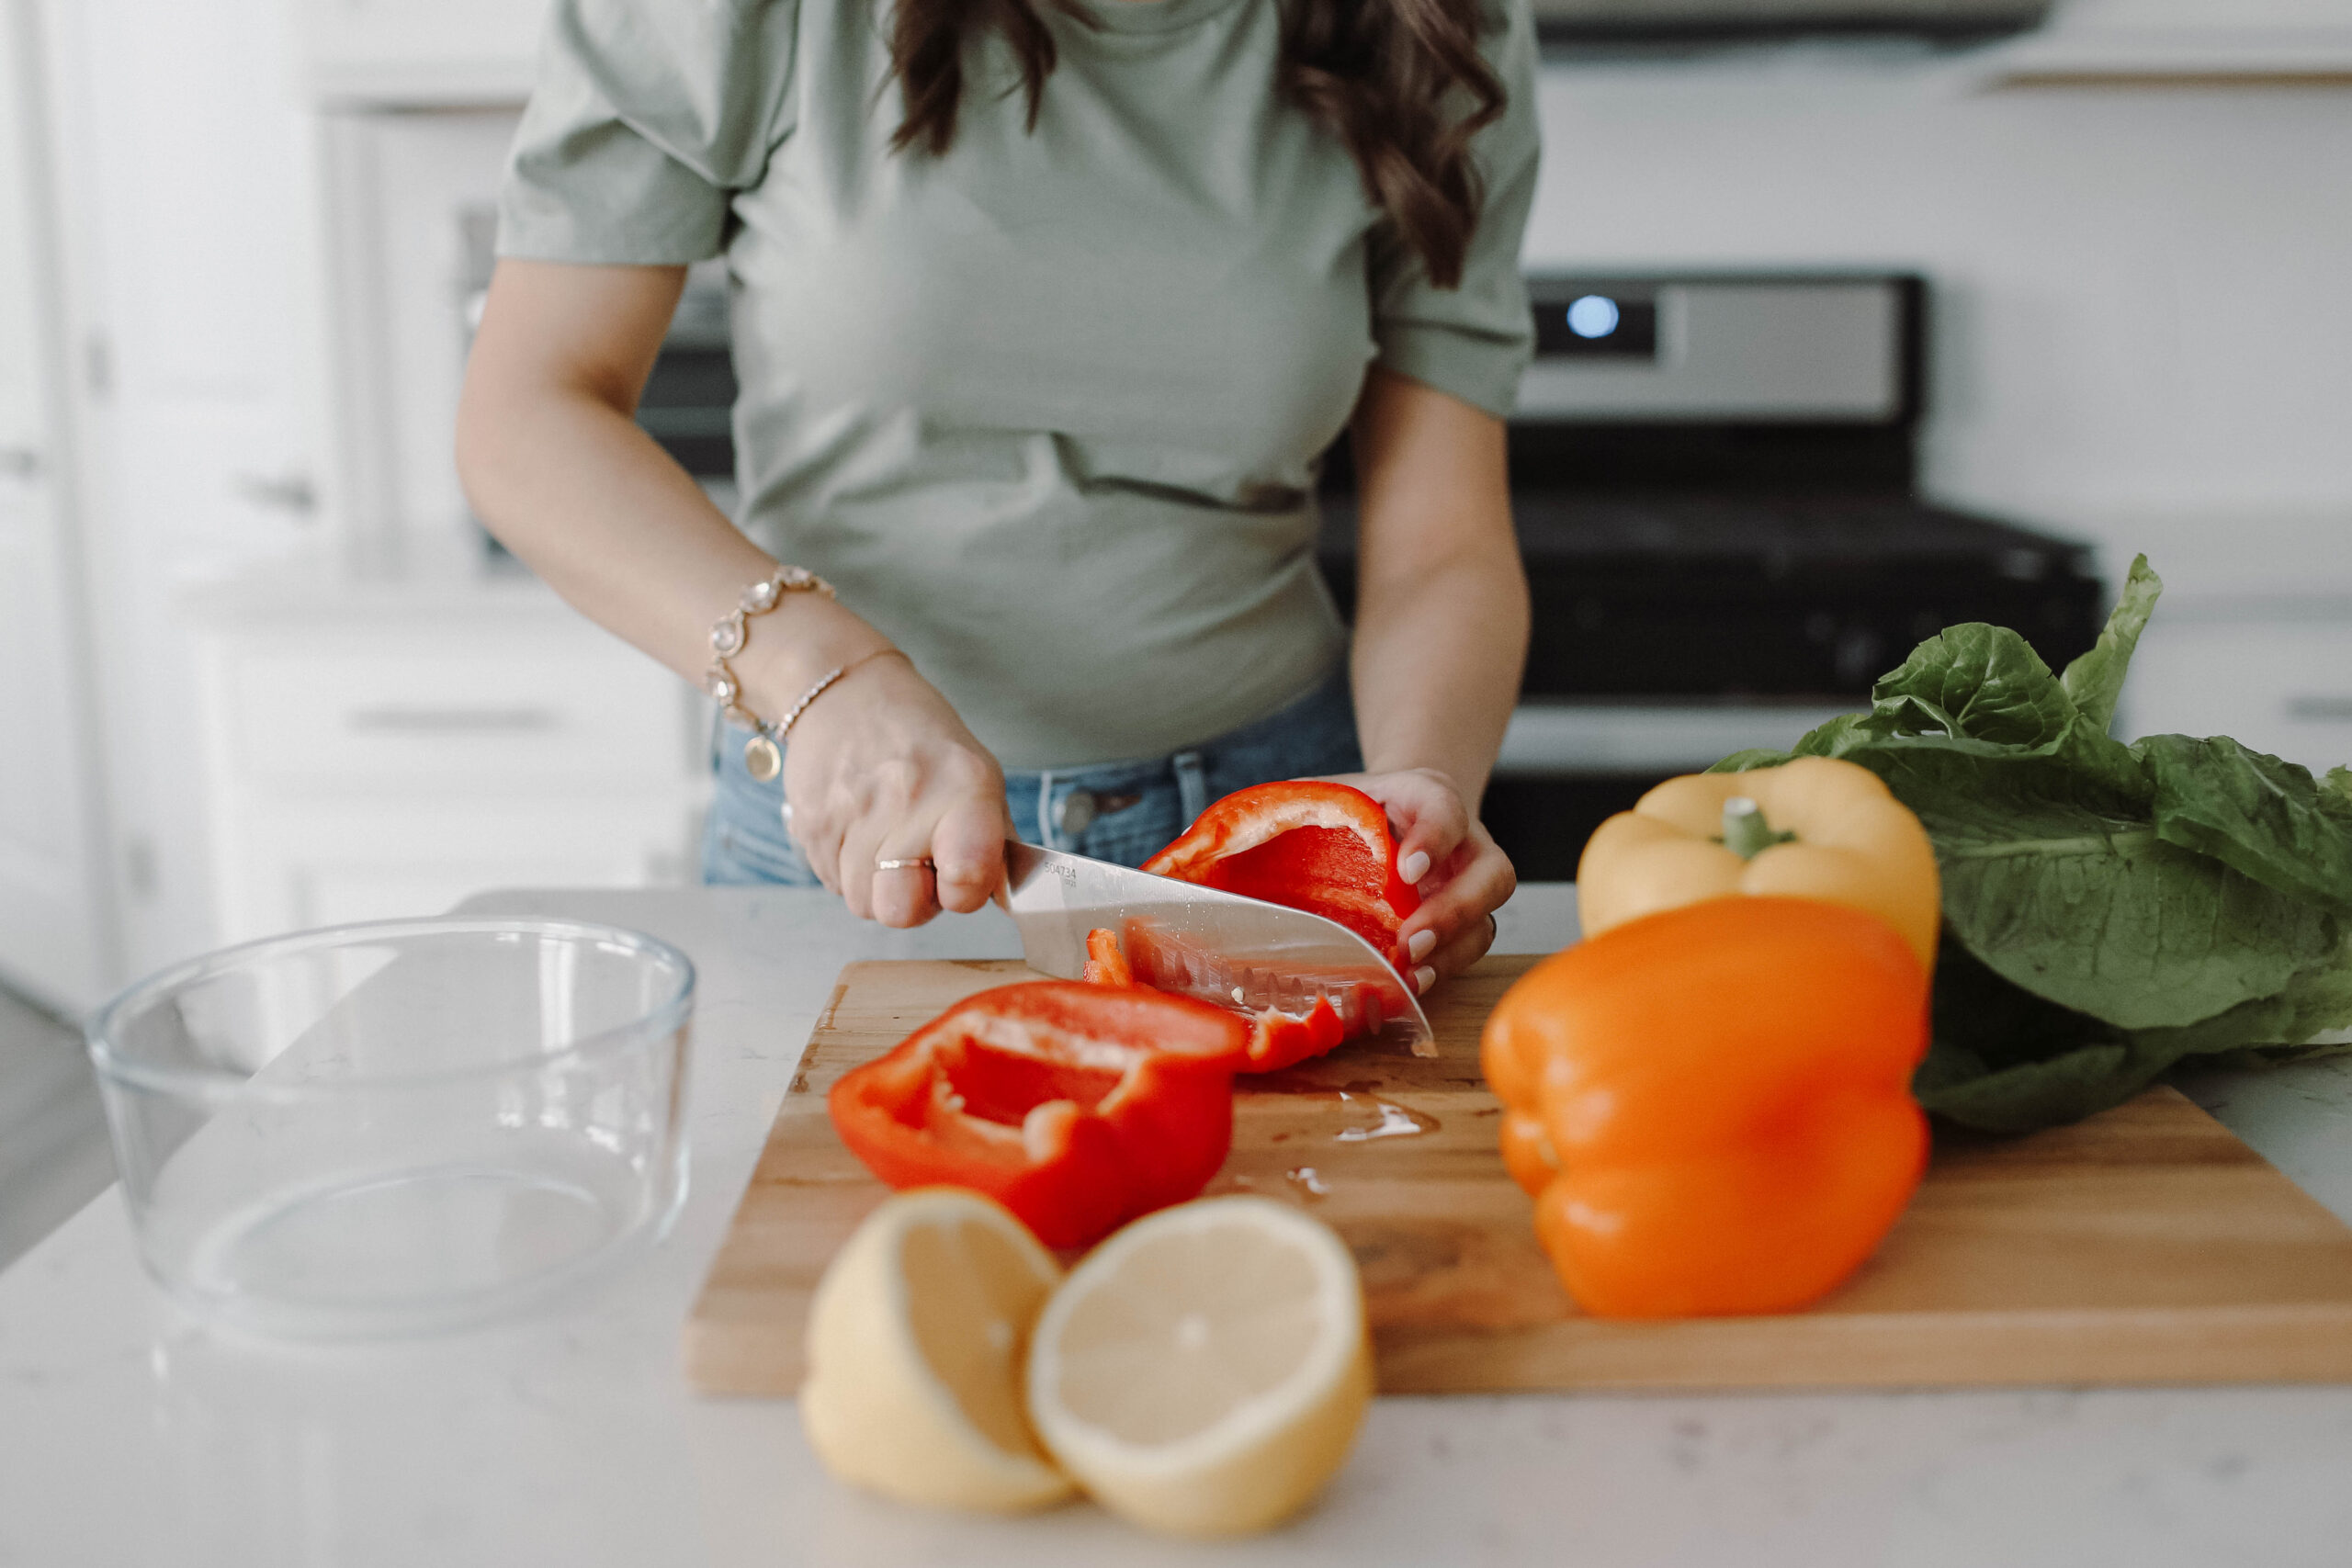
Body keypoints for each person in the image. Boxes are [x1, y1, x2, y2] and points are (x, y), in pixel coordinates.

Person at [456, 0, 1538, 996]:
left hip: (1268, 840)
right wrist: (824, 679)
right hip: (852, 843)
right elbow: (528, 415)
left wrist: (1420, 790)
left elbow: (1440, 541)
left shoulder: (1439, 28)